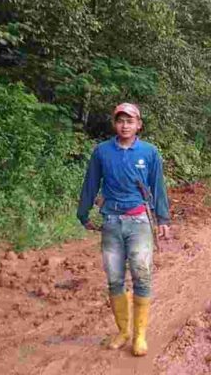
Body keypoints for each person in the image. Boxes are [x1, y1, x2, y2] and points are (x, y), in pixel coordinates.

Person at [77, 102, 170, 357]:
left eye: (130, 121)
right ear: (114, 124)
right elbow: (91, 184)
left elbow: (158, 187)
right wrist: (82, 212)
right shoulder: (102, 152)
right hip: (111, 222)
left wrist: (163, 219)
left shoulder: (150, 153)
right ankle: (123, 331)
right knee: (115, 278)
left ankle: (139, 336)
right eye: (120, 120)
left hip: (139, 221)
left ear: (138, 124)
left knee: (141, 273)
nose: (125, 125)